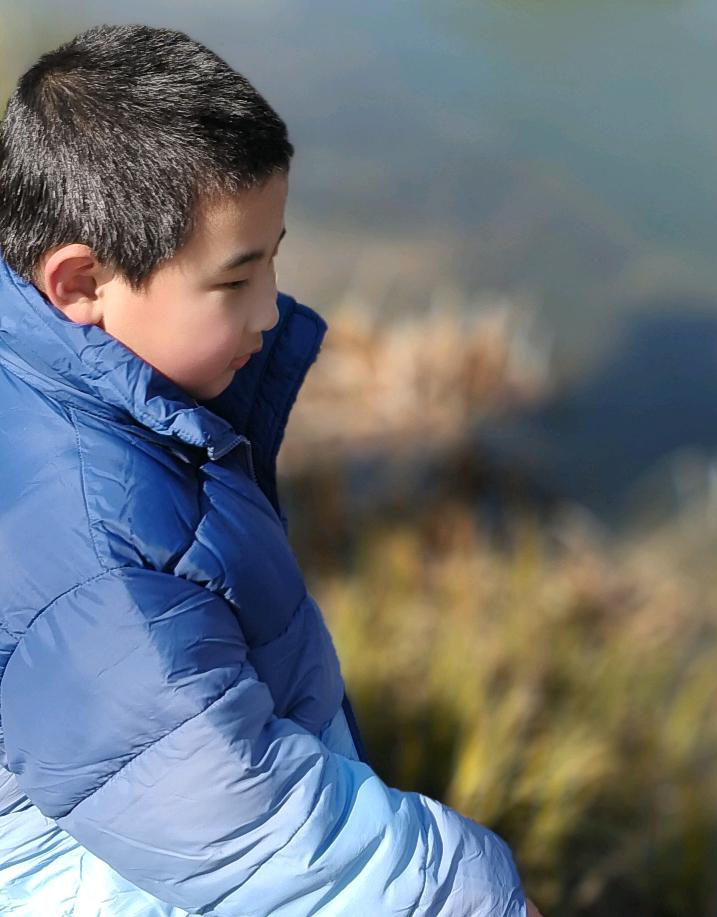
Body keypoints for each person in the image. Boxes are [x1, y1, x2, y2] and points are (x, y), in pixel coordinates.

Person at [0, 23, 544, 917]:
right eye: (235, 280)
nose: (268, 311)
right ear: (80, 283)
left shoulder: (61, 373)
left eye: (275, 257)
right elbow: (248, 824)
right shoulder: (96, 560)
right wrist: (463, 890)